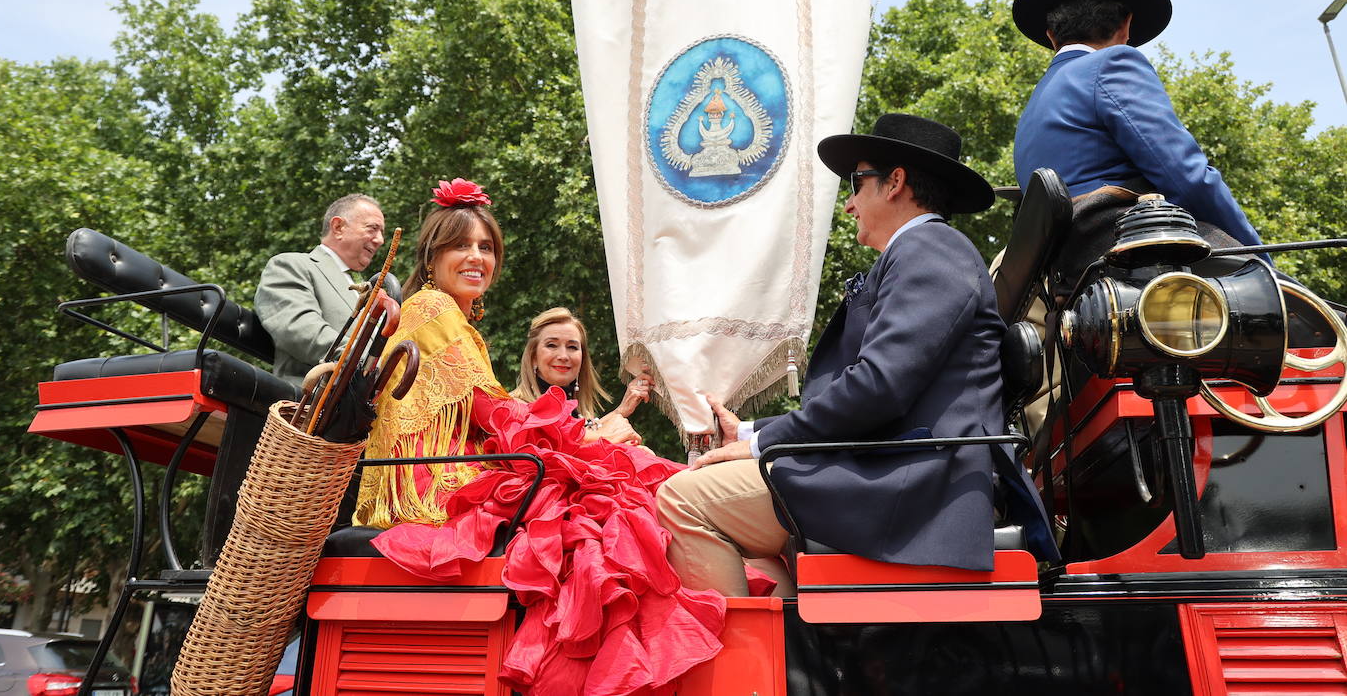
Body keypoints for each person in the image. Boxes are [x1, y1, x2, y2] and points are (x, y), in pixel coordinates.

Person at [354, 178, 727, 695]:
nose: (476, 257)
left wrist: (590, 441)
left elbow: (494, 414)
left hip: (461, 466)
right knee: (599, 505)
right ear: (432, 254)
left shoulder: (450, 317)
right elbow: (495, 412)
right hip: (435, 482)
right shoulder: (432, 310)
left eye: (486, 247)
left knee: (604, 488)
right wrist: (588, 442)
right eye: (461, 245)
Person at [656, 113, 1053, 598]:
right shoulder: (927, 251)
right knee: (745, 533)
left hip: (920, 479)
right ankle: (787, 658)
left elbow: (878, 385)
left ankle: (734, 669)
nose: (848, 204)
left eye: (856, 182)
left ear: (896, 183)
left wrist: (763, 445)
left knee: (681, 499)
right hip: (900, 465)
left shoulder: (931, 247)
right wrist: (747, 432)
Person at [1011, 0, 1266, 294]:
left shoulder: (1035, 104)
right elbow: (1187, 178)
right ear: (1127, 27)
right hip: (1138, 253)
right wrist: (1258, 256)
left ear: (1051, 36)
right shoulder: (1113, 63)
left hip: (1075, 275)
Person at [254, 193, 386, 386]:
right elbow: (300, 329)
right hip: (311, 404)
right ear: (338, 227)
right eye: (372, 229)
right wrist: (372, 364)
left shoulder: (368, 288)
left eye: (381, 232)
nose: (380, 240)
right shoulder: (291, 265)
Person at [512, 306, 652, 437]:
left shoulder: (578, 415)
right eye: (552, 345)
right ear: (533, 357)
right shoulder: (516, 409)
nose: (563, 356)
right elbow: (564, 447)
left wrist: (623, 409)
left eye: (572, 347)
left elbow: (583, 439)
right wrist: (608, 434)